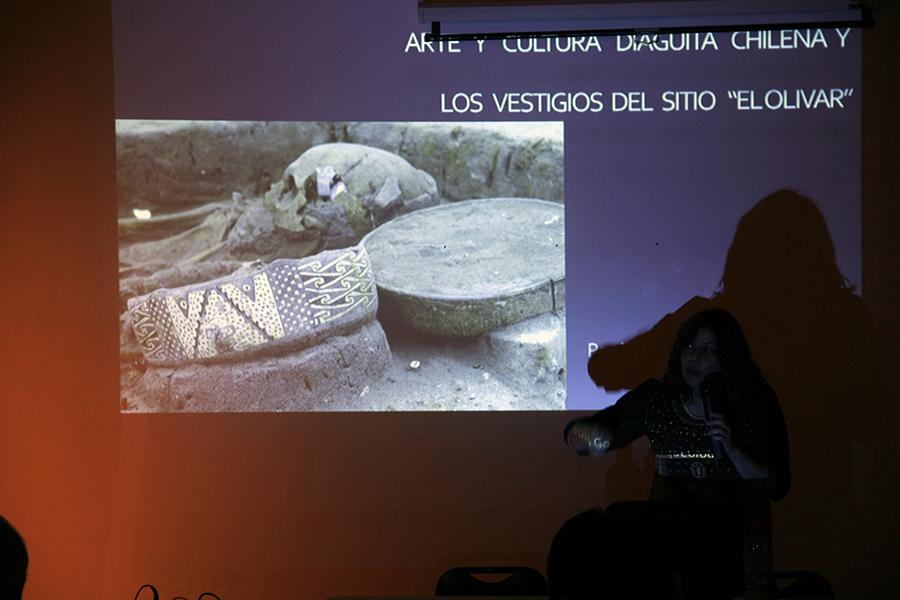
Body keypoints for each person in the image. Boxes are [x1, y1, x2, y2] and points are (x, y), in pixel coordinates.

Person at [565, 308, 790, 598]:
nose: (693, 357)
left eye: (707, 350)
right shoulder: (657, 398)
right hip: (670, 557)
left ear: (729, 357)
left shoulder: (755, 402)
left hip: (737, 557)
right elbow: (596, 431)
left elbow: (777, 485)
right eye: (689, 347)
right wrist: (586, 436)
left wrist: (733, 449)